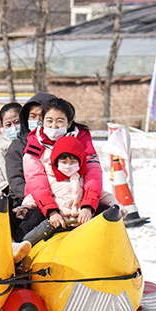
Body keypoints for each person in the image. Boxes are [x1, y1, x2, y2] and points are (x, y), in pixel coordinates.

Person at [14, 96, 102, 239]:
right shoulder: (35, 143)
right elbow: (36, 180)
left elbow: (94, 175)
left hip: (79, 198)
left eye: (59, 121)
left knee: (108, 216)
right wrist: (51, 211)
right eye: (49, 121)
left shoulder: (82, 140)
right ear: (42, 122)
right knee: (26, 224)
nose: (54, 126)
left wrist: (88, 206)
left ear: (69, 123)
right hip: (46, 200)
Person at [17, 136, 120, 228]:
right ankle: (24, 244)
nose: (68, 166)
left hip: (81, 222)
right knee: (38, 227)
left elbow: (101, 195)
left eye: (72, 162)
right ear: (56, 162)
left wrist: (115, 205)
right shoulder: (50, 179)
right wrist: (27, 206)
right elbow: (35, 196)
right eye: (64, 162)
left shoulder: (83, 180)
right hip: (56, 222)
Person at [5, 92, 55, 201]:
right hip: (28, 200)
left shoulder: (66, 143)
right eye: (32, 116)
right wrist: (40, 200)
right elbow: (16, 180)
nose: (37, 121)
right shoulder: (18, 146)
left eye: (42, 116)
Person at [0, 102, 21, 197]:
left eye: (17, 122)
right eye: (8, 124)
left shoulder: (35, 141)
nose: (13, 127)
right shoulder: (0, 149)